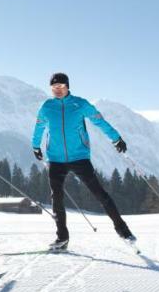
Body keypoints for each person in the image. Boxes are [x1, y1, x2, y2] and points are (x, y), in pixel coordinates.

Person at [31, 72, 136, 252]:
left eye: (61, 87)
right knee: (56, 199)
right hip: (56, 159)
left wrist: (116, 138)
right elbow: (39, 126)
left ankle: (123, 230)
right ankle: (62, 238)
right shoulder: (47, 107)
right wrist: (36, 146)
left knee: (99, 194)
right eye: (54, 88)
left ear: (68, 87)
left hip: (79, 157)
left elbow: (100, 122)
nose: (58, 90)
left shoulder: (80, 104)